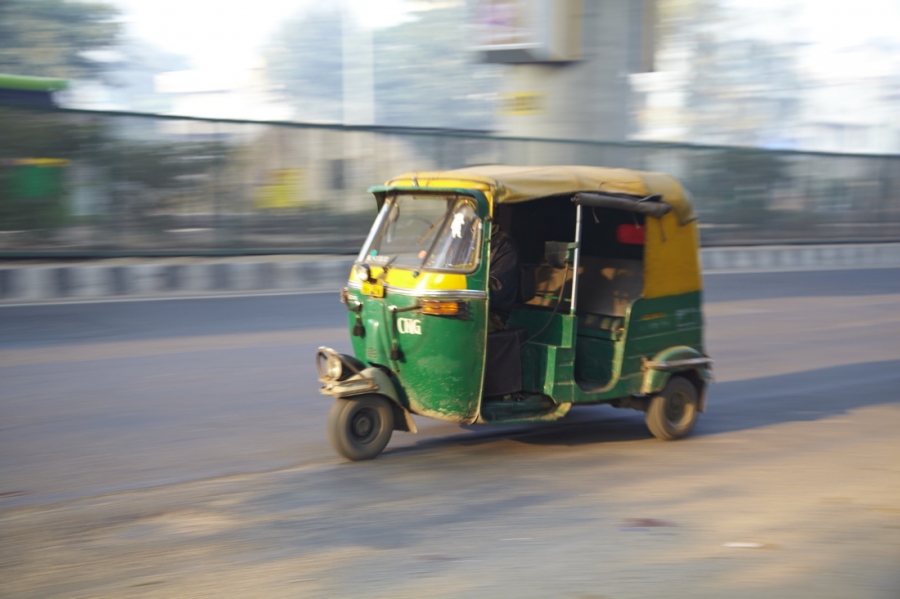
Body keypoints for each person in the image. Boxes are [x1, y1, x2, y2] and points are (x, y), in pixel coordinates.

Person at [488, 222, 519, 333]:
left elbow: (497, 287)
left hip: (490, 314)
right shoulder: (466, 240)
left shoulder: (505, 244)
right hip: (469, 308)